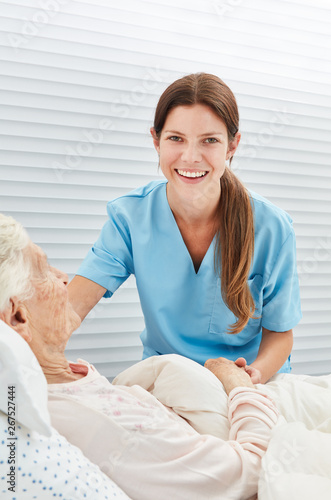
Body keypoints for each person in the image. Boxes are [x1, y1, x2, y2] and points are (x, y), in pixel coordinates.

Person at [0, 213, 279, 500]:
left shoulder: (69, 381)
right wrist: (239, 386)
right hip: (250, 410)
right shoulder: (109, 427)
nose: (63, 277)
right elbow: (258, 469)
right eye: (44, 269)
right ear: (18, 317)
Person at [67, 72, 302, 384]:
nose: (191, 157)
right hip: (168, 379)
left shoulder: (272, 227)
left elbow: (280, 335)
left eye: (210, 140)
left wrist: (250, 377)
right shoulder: (130, 217)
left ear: (232, 145)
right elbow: (72, 307)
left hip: (250, 379)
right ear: (156, 141)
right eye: (176, 138)